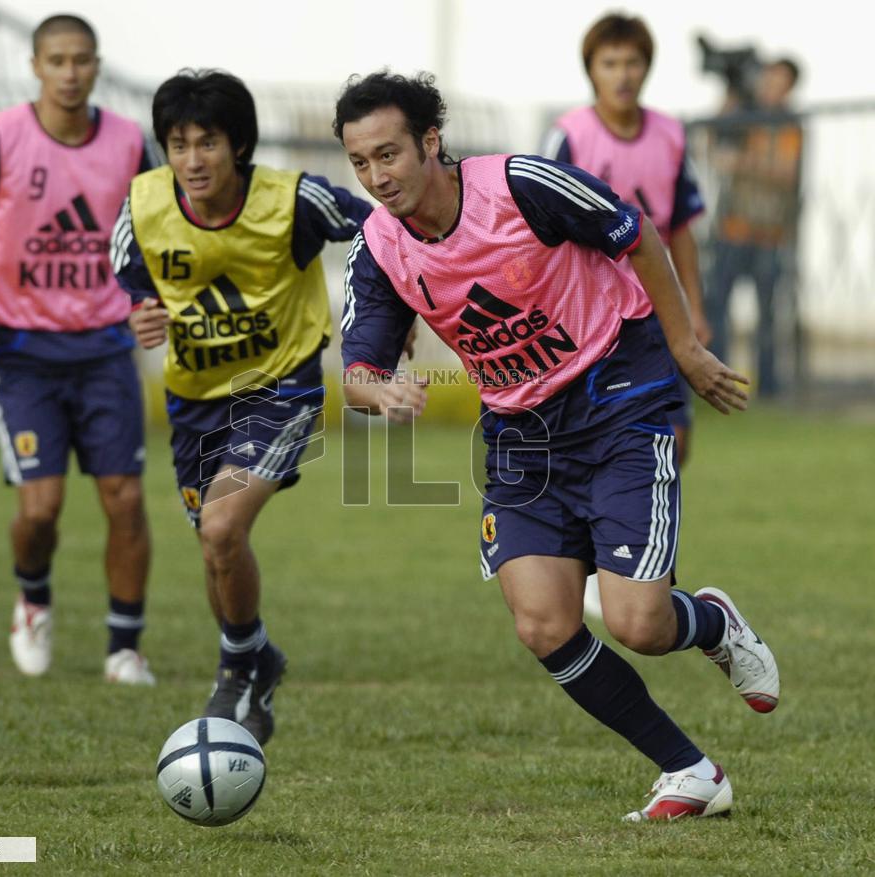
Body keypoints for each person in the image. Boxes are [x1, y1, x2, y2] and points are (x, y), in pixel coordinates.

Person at [334, 71, 780, 821]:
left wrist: (686, 348)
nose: (378, 177)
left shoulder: (518, 187)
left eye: (390, 154)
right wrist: (376, 389)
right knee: (543, 622)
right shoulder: (379, 246)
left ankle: (711, 624)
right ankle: (691, 770)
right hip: (523, 434)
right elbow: (358, 365)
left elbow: (636, 235)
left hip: (619, 396)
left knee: (640, 623)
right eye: (361, 163)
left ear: (430, 143)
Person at [111, 69, 373, 746]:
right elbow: (131, 279)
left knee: (222, 526)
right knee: (214, 544)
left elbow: (384, 233)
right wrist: (139, 312)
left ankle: (235, 669)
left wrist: (378, 328)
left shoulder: (294, 200)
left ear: (239, 145)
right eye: (178, 143)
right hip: (194, 399)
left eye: (208, 142)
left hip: (277, 386)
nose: (193, 159)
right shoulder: (143, 205)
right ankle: (258, 658)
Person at [0, 14, 158, 685]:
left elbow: (159, 227)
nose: (69, 72)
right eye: (56, 60)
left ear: (95, 65)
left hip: (107, 346)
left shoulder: (127, 142)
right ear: (36, 65)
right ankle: (32, 596)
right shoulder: (0, 137)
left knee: (123, 497)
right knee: (40, 510)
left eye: (82, 60)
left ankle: (124, 647)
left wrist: (153, 299)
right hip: (24, 350)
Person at [541, 12, 711, 618]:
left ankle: (639, 553)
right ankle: (612, 560)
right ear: (591, 70)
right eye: (610, 63)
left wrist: (692, 308)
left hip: (659, 310)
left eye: (632, 62)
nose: (622, 75)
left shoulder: (669, 134)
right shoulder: (570, 137)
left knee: (675, 438)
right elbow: (544, 231)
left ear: (646, 68)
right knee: (608, 435)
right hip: (597, 322)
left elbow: (682, 227)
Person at [706, 58, 803, 398]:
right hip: (732, 229)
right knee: (717, 306)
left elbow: (786, 172)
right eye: (768, 79)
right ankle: (717, 382)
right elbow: (712, 149)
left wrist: (743, 163)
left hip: (770, 234)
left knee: (768, 315)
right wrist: (729, 103)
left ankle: (770, 388)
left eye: (780, 81)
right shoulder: (744, 116)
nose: (771, 86)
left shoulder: (790, 124)